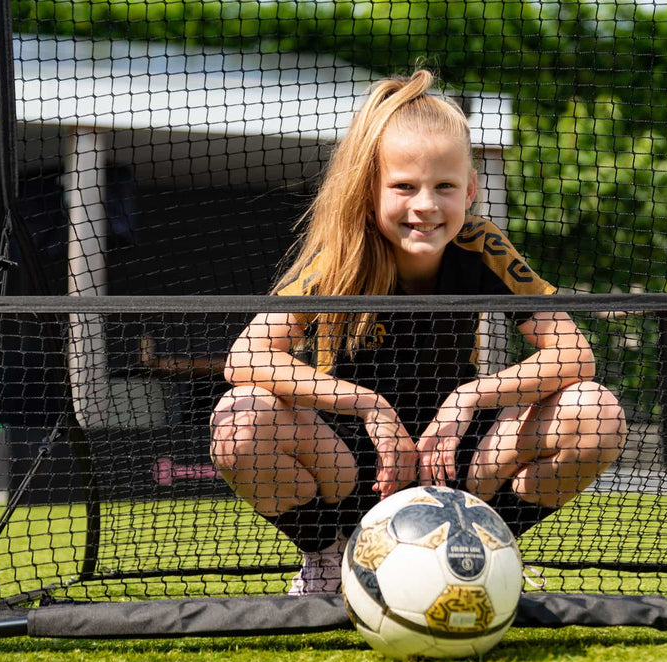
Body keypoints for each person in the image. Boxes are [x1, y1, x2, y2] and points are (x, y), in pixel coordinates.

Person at [210, 70, 626, 594]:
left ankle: (488, 542)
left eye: (444, 187)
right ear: (370, 190)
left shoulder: (483, 245)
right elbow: (245, 358)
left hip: (458, 462)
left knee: (596, 411)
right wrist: (370, 408)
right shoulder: (341, 256)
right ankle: (329, 557)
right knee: (238, 417)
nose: (425, 205)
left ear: (470, 190)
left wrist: (467, 400)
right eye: (404, 186)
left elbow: (574, 355)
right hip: (355, 464)